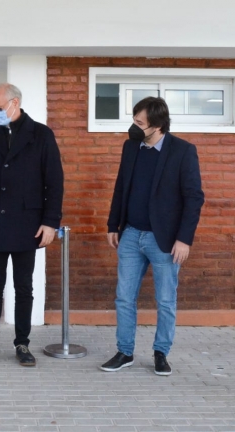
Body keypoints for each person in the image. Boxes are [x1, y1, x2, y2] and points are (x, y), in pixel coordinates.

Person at [100, 97, 204, 376]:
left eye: (139, 123)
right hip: (131, 234)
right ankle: (125, 352)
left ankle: (161, 353)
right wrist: (113, 225)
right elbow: (121, 187)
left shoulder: (182, 151)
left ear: (157, 126)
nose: (133, 128)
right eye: (134, 121)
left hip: (166, 241)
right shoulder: (131, 147)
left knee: (166, 300)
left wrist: (184, 239)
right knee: (123, 297)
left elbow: (194, 198)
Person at [0, 83, 64, 367]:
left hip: (27, 224)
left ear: (15, 103)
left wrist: (51, 222)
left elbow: (54, 182)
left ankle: (22, 343)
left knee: (23, 286)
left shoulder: (41, 135)